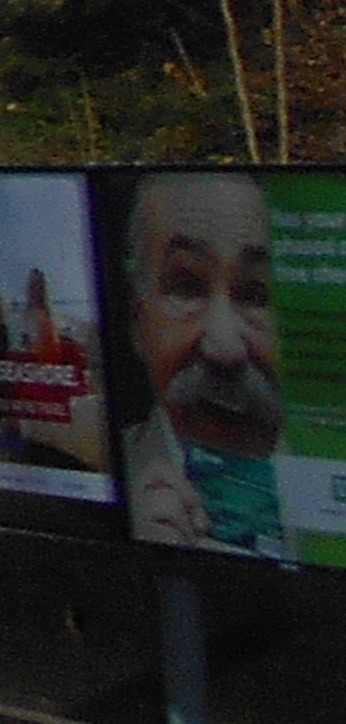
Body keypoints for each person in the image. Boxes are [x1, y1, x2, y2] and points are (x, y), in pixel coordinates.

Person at [114, 171, 285, 555]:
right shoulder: (103, 479)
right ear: (138, 322)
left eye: (256, 294)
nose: (223, 348)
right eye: (187, 287)